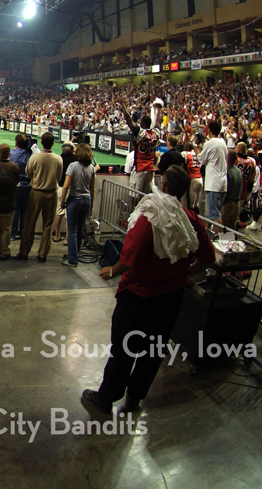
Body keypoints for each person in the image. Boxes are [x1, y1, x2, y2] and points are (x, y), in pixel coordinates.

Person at [81, 165, 214, 420]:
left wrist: (113, 270)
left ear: (163, 184)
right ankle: (134, 397)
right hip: (171, 298)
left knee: (124, 350)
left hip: (138, 298)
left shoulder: (150, 215)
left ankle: (106, 398)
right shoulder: (190, 219)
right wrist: (185, 273)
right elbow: (208, 258)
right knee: (153, 351)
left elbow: (131, 255)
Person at [17, 132, 63, 262]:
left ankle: (24, 251)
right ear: (53, 143)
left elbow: (29, 173)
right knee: (47, 225)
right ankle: (43, 254)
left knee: (30, 223)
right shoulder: (58, 158)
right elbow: (59, 177)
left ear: (41, 143)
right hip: (52, 192)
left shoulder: (35, 158)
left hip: (36, 192)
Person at [59, 143, 96, 267]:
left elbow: (66, 186)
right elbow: (92, 189)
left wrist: (62, 201)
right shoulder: (91, 168)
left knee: (72, 230)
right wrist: (92, 205)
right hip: (86, 199)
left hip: (75, 199)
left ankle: (72, 259)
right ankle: (75, 254)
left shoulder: (73, 166)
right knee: (80, 229)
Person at [0, 143, 19, 260]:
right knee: (5, 229)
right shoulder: (14, 167)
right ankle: (4, 250)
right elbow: (15, 182)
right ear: (9, 154)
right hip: (8, 203)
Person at [120, 101, 159, 195]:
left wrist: (123, 107)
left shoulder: (141, 133)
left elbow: (129, 120)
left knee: (135, 194)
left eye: (141, 122)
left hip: (140, 168)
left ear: (144, 124)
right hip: (150, 168)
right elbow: (158, 123)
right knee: (146, 195)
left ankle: (135, 209)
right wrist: (158, 110)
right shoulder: (156, 134)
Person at [198, 120, 228, 222]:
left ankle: (217, 237)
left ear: (209, 130)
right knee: (215, 214)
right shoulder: (223, 142)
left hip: (213, 184)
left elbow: (201, 160)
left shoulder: (210, 143)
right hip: (222, 182)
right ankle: (212, 236)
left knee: (214, 216)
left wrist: (198, 149)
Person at [9, 133, 35, 240]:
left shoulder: (12, 153)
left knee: (15, 210)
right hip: (28, 184)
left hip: (17, 183)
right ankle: (24, 233)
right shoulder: (31, 155)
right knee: (25, 211)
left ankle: (13, 234)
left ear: (16, 143)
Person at [52, 142, 77, 242]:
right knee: (69, 215)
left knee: (59, 213)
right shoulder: (75, 161)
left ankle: (57, 235)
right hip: (70, 188)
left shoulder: (59, 159)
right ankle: (67, 238)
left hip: (60, 187)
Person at [221, 151, 242, 233]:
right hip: (236, 204)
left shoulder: (226, 171)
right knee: (231, 229)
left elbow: (225, 189)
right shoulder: (238, 171)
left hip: (227, 204)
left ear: (228, 158)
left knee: (223, 228)